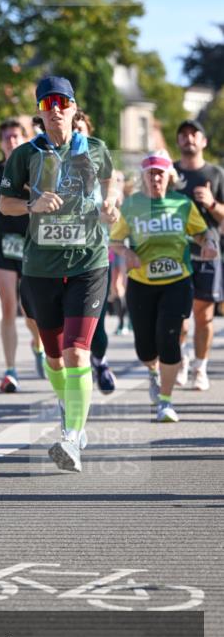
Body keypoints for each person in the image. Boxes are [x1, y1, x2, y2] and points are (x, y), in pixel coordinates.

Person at [0, 76, 119, 473]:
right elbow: (4, 205)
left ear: (73, 107)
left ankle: (72, 436)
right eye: (47, 102)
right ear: (39, 110)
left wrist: (112, 209)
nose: (55, 109)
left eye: (62, 101)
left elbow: (110, 192)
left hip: (89, 262)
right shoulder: (24, 154)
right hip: (41, 267)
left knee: (76, 351)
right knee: (54, 357)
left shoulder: (97, 150)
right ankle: (70, 405)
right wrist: (32, 203)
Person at [110, 150, 217, 422]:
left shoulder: (182, 204)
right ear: (143, 176)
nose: (155, 177)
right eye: (150, 173)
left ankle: (166, 402)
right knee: (145, 348)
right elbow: (114, 241)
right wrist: (128, 253)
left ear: (170, 176)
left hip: (177, 281)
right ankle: (153, 372)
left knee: (168, 338)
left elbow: (202, 233)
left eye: (160, 172)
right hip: (142, 283)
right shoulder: (133, 205)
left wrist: (208, 245)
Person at [0, 118, 45, 392]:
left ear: (24, 139)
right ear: (0, 143)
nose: (10, 141)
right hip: (2, 243)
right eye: (6, 137)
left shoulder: (35, 165)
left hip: (31, 242)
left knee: (29, 309)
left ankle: (38, 344)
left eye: (15, 137)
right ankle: (10, 370)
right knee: (8, 306)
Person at [173, 120, 224, 390]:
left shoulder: (216, 174)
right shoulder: (169, 173)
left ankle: (200, 368)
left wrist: (212, 203)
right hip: (175, 253)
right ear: (178, 141)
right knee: (179, 316)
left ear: (203, 141)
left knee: (204, 317)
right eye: (183, 135)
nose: (188, 138)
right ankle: (182, 361)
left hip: (208, 253)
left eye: (194, 134)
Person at [73, 110, 116, 394]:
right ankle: (75, 376)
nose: (76, 133)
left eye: (80, 128)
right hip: (59, 255)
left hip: (95, 253)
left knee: (96, 322)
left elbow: (113, 194)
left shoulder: (101, 160)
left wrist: (110, 206)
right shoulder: (51, 161)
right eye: (72, 128)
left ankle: (99, 360)